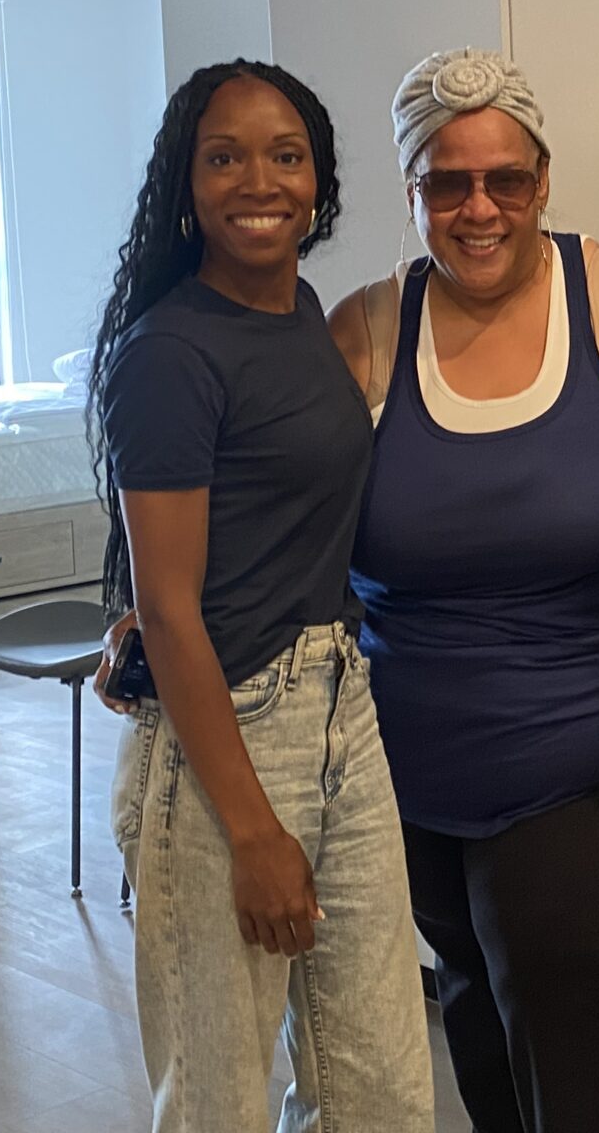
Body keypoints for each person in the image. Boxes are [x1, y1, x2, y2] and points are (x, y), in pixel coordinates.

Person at [325, 49, 599, 1133]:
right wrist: (149, 608)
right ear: (412, 193)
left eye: (504, 180)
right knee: (478, 1021)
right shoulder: (366, 331)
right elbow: (284, 519)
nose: (478, 208)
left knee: (583, 1039)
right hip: (412, 773)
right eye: (446, 182)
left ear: (541, 178)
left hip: (583, 762)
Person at [91, 60, 433, 1133]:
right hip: (224, 739)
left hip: (343, 704)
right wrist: (250, 830)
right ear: (185, 183)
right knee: (218, 1099)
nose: (259, 181)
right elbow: (174, 603)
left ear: (320, 183)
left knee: (377, 1083)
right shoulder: (169, 353)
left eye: (286, 156)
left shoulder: (302, 313)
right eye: (224, 156)